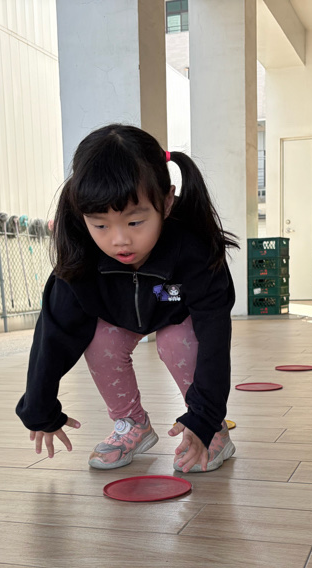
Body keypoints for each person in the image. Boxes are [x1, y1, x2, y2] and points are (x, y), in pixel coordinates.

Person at [16, 124, 238, 473]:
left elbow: (214, 336)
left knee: (175, 341)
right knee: (99, 339)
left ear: (166, 201)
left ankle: (212, 433)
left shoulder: (195, 249)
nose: (119, 240)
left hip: (169, 297)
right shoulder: (79, 257)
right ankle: (132, 423)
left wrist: (204, 417)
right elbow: (53, 333)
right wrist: (38, 407)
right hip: (117, 304)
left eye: (135, 222)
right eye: (100, 225)